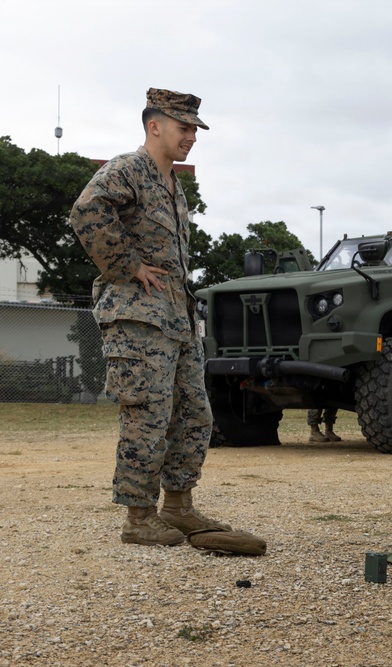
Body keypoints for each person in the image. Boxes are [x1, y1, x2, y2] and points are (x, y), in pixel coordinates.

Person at [70, 88, 233, 547]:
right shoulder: (129, 170)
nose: (192, 137)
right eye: (184, 128)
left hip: (175, 320)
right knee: (148, 414)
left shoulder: (171, 183)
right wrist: (126, 266)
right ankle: (138, 517)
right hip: (138, 319)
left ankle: (178, 506)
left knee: (194, 413)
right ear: (154, 125)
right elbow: (87, 210)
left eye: (195, 130)